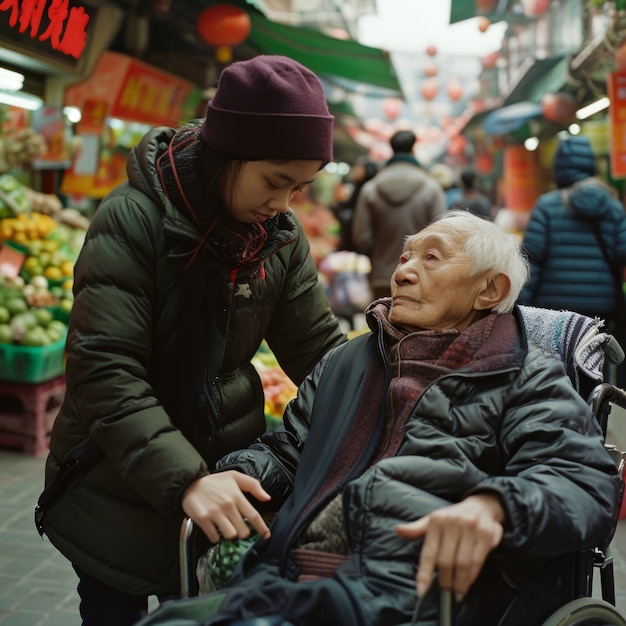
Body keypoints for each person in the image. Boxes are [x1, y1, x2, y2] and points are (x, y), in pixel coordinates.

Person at [135, 210, 621, 626]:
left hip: (411, 590)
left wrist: (495, 506)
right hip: (295, 567)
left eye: (432, 257)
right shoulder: (346, 362)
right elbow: (288, 450)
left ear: (488, 290)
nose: (404, 271)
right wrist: (235, 472)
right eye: (406, 256)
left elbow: (583, 483)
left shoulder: (522, 375)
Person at [35, 55, 347, 626]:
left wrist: (388, 389)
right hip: (114, 479)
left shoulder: (276, 238)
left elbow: (319, 347)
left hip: (223, 484)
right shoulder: (134, 218)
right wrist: (188, 479)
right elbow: (105, 369)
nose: (283, 204)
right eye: (275, 182)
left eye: (300, 189)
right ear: (229, 155)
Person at [519, 135, 626, 386]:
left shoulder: (547, 205)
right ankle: (594, 418)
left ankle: (563, 418)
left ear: (559, 168)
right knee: (594, 368)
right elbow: (622, 253)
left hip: (553, 309)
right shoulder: (611, 205)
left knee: (555, 372)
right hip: (601, 305)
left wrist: (521, 306)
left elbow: (531, 260)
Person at [351, 130, 446, 299]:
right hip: (422, 279)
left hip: (382, 277)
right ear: (413, 150)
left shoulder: (370, 189)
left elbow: (361, 236)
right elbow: (442, 235)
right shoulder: (431, 188)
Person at [331, 156, 378, 253]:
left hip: (357, 235)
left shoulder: (366, 189)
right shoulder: (359, 186)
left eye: (359, 168)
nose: (356, 170)